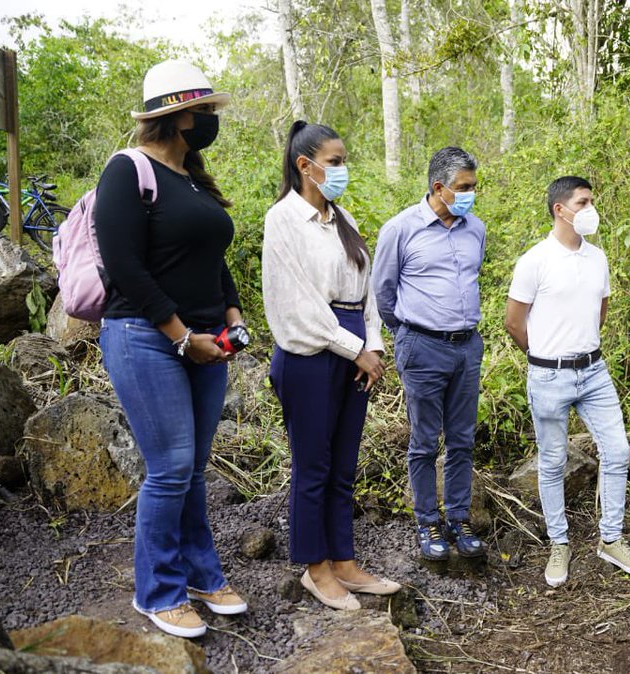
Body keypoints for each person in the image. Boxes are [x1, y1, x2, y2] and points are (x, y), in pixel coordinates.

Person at [96, 59, 247, 638]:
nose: (211, 121)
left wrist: (230, 314)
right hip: (146, 338)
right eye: (205, 111)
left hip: (208, 340)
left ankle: (201, 574)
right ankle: (156, 591)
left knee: (193, 469)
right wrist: (182, 337)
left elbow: (211, 259)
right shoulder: (128, 170)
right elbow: (127, 268)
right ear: (178, 116)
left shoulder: (192, 178)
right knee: (170, 469)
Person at [263, 121, 402, 610]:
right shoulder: (283, 220)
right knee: (313, 466)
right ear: (306, 165)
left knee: (343, 465)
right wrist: (354, 348)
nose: (343, 170)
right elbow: (298, 306)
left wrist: (375, 347)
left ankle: (344, 560)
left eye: (344, 160)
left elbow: (363, 294)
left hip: (353, 353)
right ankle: (314, 568)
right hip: (310, 356)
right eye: (335, 161)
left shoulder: (339, 217)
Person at [504, 176, 630, 587]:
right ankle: (559, 544)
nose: (591, 209)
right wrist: (545, 357)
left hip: (594, 372)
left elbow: (600, 310)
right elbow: (513, 323)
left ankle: (611, 538)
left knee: (618, 451)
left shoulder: (597, 258)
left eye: (592, 201)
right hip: (549, 373)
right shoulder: (535, 260)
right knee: (552, 462)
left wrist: (580, 346)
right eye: (583, 202)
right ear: (560, 209)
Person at [371, 147, 488, 561]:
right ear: (439, 187)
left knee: (461, 439)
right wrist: (405, 334)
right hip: (421, 346)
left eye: (474, 186)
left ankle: (458, 519)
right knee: (423, 442)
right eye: (465, 187)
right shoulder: (400, 229)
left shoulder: (476, 228)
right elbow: (382, 292)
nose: (473, 193)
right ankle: (428, 522)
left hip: (466, 346)